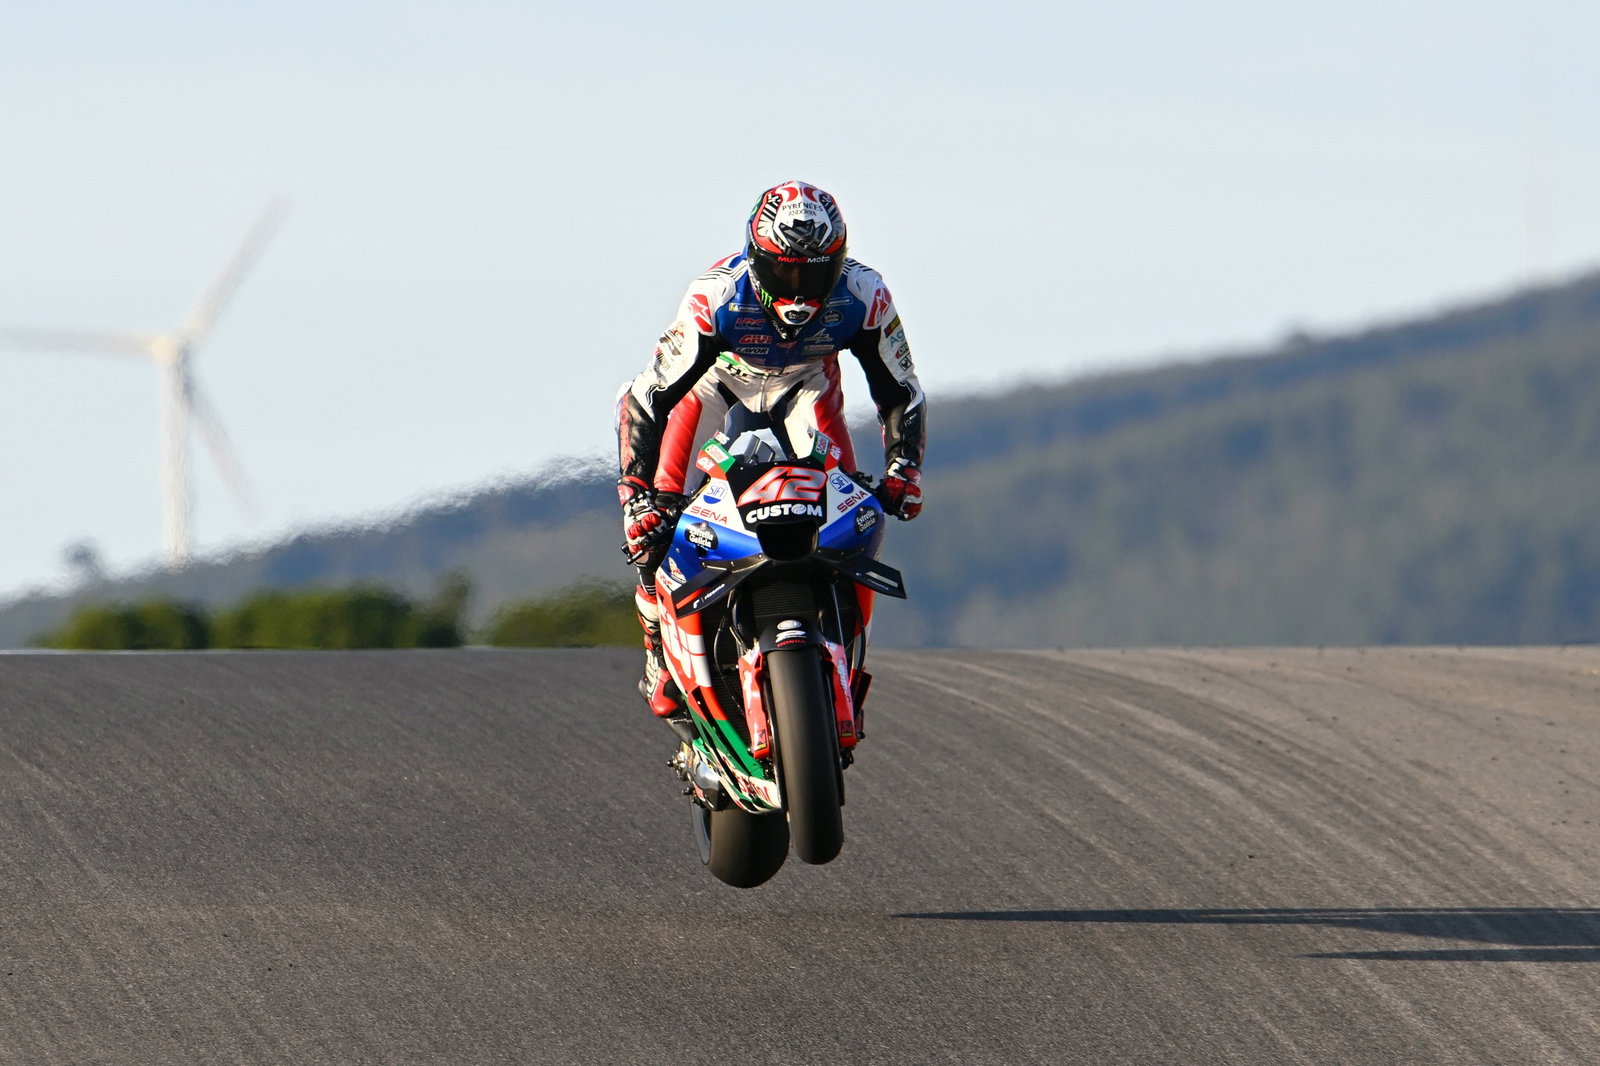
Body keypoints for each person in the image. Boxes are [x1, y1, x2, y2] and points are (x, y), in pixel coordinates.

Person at [615, 179, 926, 718]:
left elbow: (900, 389)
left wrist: (903, 466)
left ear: (841, 262)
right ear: (756, 258)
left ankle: (839, 649)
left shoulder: (865, 293)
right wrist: (638, 492)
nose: (800, 290)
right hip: (714, 381)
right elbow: (648, 397)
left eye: (817, 272)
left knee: (848, 511)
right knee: (654, 526)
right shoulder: (714, 295)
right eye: (785, 270)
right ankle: (658, 654)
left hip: (807, 382)